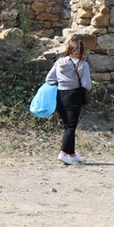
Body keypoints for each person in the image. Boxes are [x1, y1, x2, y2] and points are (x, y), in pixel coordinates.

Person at [45, 36, 92, 165]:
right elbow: (86, 84)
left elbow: (49, 78)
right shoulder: (83, 64)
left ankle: (71, 154)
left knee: (67, 125)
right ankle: (63, 153)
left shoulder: (59, 62)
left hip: (60, 95)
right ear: (81, 50)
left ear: (69, 48)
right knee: (71, 126)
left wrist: (61, 82)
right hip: (74, 96)